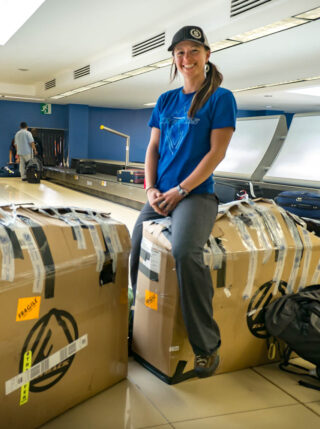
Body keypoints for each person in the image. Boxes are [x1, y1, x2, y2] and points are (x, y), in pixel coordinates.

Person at [129, 25, 237, 378]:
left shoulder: (220, 98)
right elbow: (153, 149)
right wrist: (150, 190)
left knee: (184, 252)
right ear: (174, 59)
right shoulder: (165, 101)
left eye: (193, 51)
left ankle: (207, 347)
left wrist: (182, 190)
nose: (186, 58)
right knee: (136, 245)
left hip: (196, 195)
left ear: (207, 55)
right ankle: (136, 316)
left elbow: (216, 154)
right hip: (160, 194)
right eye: (180, 53)